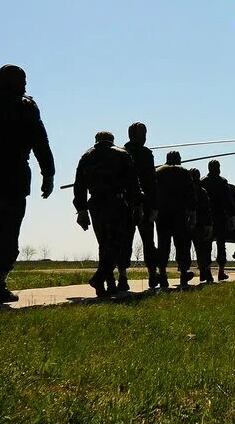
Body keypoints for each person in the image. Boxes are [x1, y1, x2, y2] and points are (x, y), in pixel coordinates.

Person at [0, 64, 55, 303]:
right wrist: (48, 173)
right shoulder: (25, 107)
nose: (26, 85)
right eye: (23, 80)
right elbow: (41, 141)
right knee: (9, 228)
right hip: (13, 175)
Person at [72, 130, 142, 296]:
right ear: (112, 140)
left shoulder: (86, 157)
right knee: (117, 243)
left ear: (96, 140)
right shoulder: (122, 155)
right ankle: (100, 278)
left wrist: (81, 209)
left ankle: (108, 285)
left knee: (103, 243)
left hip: (95, 204)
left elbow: (79, 186)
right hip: (116, 202)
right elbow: (133, 182)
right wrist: (137, 204)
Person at [123, 122, 161, 288]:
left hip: (125, 203)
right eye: (143, 134)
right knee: (148, 241)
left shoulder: (121, 152)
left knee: (125, 241)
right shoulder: (146, 154)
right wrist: (154, 207)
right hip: (144, 204)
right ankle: (152, 275)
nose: (145, 137)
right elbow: (151, 183)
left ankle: (122, 277)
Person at [155, 151, 197, 288]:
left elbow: (153, 192)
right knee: (181, 244)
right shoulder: (184, 173)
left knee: (163, 244)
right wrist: (192, 213)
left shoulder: (158, 172)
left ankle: (162, 274)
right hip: (180, 214)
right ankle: (183, 273)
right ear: (179, 159)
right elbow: (191, 194)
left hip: (162, 214)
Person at [202, 159, 235, 280]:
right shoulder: (222, 182)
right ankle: (220, 271)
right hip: (220, 218)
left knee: (207, 245)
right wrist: (232, 216)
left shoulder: (203, 182)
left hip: (206, 218)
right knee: (221, 244)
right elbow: (228, 201)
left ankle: (207, 271)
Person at [190, 167, 215, 283]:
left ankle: (186, 273)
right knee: (203, 250)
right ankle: (206, 272)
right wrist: (209, 225)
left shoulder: (187, 191)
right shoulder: (202, 191)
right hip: (201, 225)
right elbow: (207, 210)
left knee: (187, 248)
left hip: (189, 225)